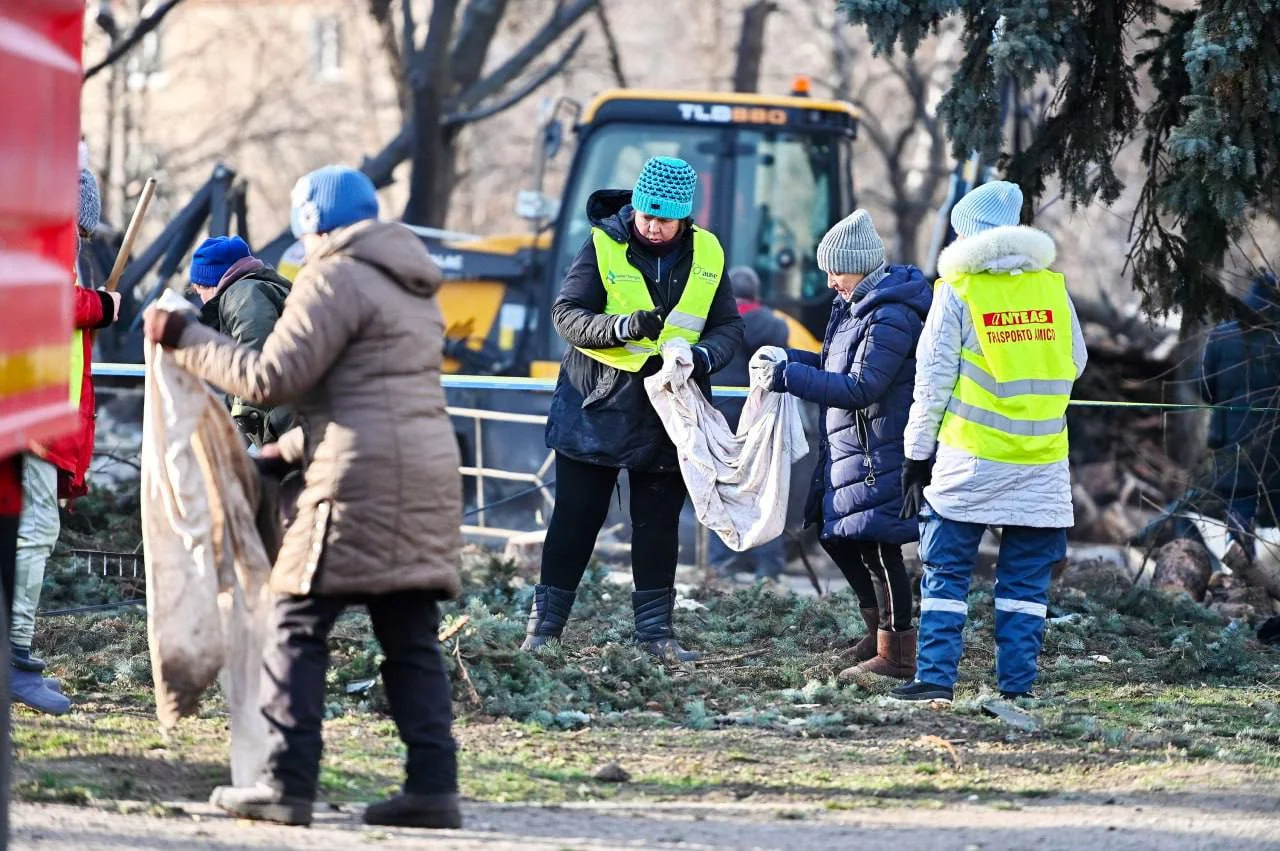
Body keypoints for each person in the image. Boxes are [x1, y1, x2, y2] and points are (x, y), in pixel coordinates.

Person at [144, 165, 464, 829]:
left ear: (311, 223)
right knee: (408, 632)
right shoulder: (413, 285)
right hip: (425, 474)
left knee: (295, 620)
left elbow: (270, 377)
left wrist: (186, 338)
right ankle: (434, 787)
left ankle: (286, 783)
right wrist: (283, 451)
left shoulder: (334, 274)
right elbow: (371, 392)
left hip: (358, 482)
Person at [522, 156, 745, 661]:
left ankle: (656, 637)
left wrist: (704, 357)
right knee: (575, 522)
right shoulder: (603, 243)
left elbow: (728, 326)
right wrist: (622, 327)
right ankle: (543, 633)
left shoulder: (707, 252)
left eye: (665, 219)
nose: (652, 225)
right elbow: (567, 315)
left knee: (658, 526)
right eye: (646, 215)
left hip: (668, 413)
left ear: (686, 217)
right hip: (595, 407)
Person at [892, 180, 1087, 704]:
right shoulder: (1051, 287)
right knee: (1025, 586)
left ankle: (935, 682)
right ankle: (1016, 690)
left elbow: (931, 382)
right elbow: (1077, 362)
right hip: (1043, 463)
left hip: (970, 460)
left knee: (947, 575)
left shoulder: (958, 291)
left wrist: (916, 455)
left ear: (967, 237)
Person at [766, 210, 930, 682]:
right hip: (851, 449)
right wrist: (786, 361)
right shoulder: (855, 306)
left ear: (859, 264)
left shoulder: (891, 314)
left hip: (880, 449)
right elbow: (830, 363)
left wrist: (788, 378)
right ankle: (876, 630)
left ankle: (898, 652)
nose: (830, 281)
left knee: (881, 550)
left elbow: (861, 386)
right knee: (832, 534)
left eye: (835, 270)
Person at [14, 169, 121, 716]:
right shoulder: (46, 244)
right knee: (34, 532)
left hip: (39, 415)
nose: (82, 241)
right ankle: (14, 656)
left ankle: (16, 657)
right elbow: (46, 305)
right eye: (83, 230)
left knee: (30, 530)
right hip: (34, 417)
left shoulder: (45, 242)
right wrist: (100, 305)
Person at [708, 266, 790, 581]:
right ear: (755, 293)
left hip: (717, 412)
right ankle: (768, 565)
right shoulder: (770, 323)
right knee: (763, 485)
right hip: (757, 416)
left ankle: (722, 561)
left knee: (721, 486)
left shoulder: (712, 320)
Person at [1195, 270, 1280, 559]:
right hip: (1276, 446)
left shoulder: (1222, 334)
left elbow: (1203, 386)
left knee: (1240, 512)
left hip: (1233, 442)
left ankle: (1242, 583)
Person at [188, 235, 293, 447]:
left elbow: (253, 354)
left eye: (199, 291)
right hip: (291, 414)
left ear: (209, 283)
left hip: (287, 421)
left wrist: (242, 422)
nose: (201, 300)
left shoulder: (243, 293)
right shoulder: (260, 288)